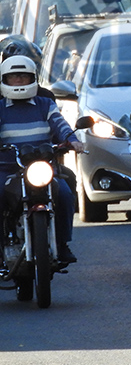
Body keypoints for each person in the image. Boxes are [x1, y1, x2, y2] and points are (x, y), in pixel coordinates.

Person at [0, 56, 85, 264]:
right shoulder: (0, 107)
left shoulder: (45, 104)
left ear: (33, 78)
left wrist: (73, 141)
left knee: (64, 194)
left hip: (43, 167)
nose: (18, 81)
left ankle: (62, 243)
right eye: (13, 76)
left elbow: (60, 125)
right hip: (8, 170)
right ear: (4, 79)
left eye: (23, 76)